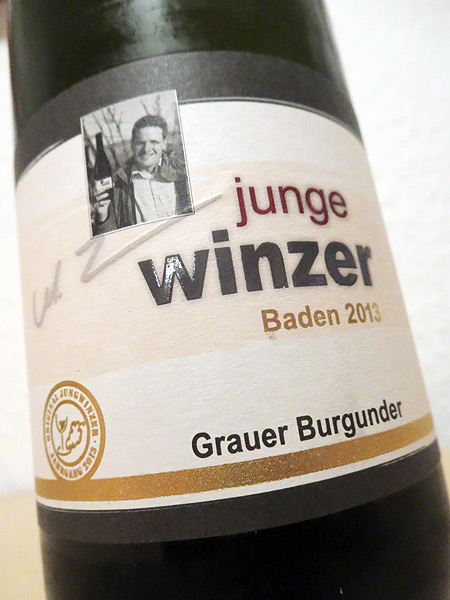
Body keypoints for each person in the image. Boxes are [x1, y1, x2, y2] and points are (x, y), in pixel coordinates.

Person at [91, 114, 192, 236]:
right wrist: (102, 217)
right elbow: (111, 238)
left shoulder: (182, 174)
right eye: (140, 143)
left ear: (164, 143)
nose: (147, 149)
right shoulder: (118, 186)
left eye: (154, 142)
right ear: (132, 145)